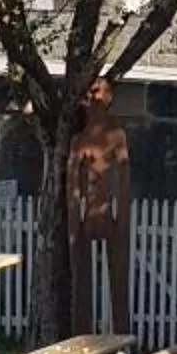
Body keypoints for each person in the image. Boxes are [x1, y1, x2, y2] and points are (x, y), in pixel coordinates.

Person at [67, 78, 132, 337]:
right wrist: (74, 225)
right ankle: (80, 347)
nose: (94, 100)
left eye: (100, 93)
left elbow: (124, 178)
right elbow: (72, 185)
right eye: (90, 94)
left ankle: (123, 343)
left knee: (119, 282)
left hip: (111, 214)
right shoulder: (79, 141)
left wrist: (122, 218)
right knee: (81, 286)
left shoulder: (117, 137)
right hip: (84, 218)